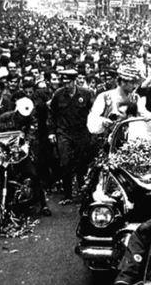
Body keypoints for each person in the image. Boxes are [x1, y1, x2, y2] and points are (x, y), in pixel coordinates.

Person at [48, 69, 94, 205]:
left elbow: (93, 112)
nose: (66, 85)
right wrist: (51, 132)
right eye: (64, 82)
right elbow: (52, 114)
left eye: (69, 82)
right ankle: (67, 194)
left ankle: (82, 190)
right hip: (64, 132)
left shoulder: (86, 94)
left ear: (74, 81)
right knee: (65, 162)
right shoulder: (58, 94)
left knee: (82, 162)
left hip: (81, 132)